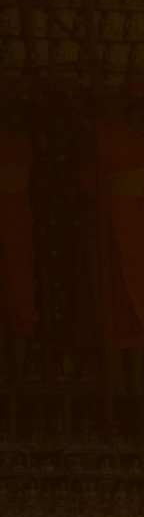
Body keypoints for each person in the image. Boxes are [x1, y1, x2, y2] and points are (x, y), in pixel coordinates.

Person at [80, 111, 144, 392]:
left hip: (107, 220)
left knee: (110, 294)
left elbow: (86, 181)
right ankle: (136, 377)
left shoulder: (99, 138)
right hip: (137, 220)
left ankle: (115, 375)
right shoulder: (139, 140)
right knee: (138, 296)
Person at [0, 120, 35, 381]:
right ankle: (17, 372)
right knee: (20, 300)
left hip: (17, 226)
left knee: (18, 300)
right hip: (19, 225)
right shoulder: (22, 147)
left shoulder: (19, 147)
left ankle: (14, 371)